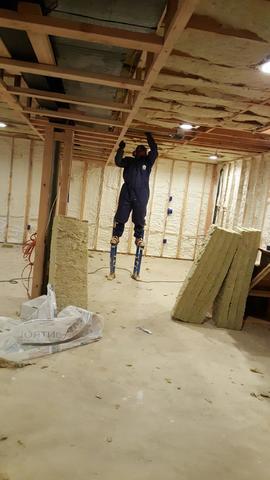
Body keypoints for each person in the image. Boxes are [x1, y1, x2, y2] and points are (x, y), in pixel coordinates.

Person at [111, 132, 158, 248]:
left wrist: (148, 136)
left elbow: (155, 151)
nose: (143, 151)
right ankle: (116, 236)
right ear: (135, 152)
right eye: (140, 150)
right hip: (127, 191)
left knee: (139, 216)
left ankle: (139, 238)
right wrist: (121, 149)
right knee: (121, 214)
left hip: (142, 193)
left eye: (144, 150)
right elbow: (118, 162)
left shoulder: (148, 162)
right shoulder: (129, 161)